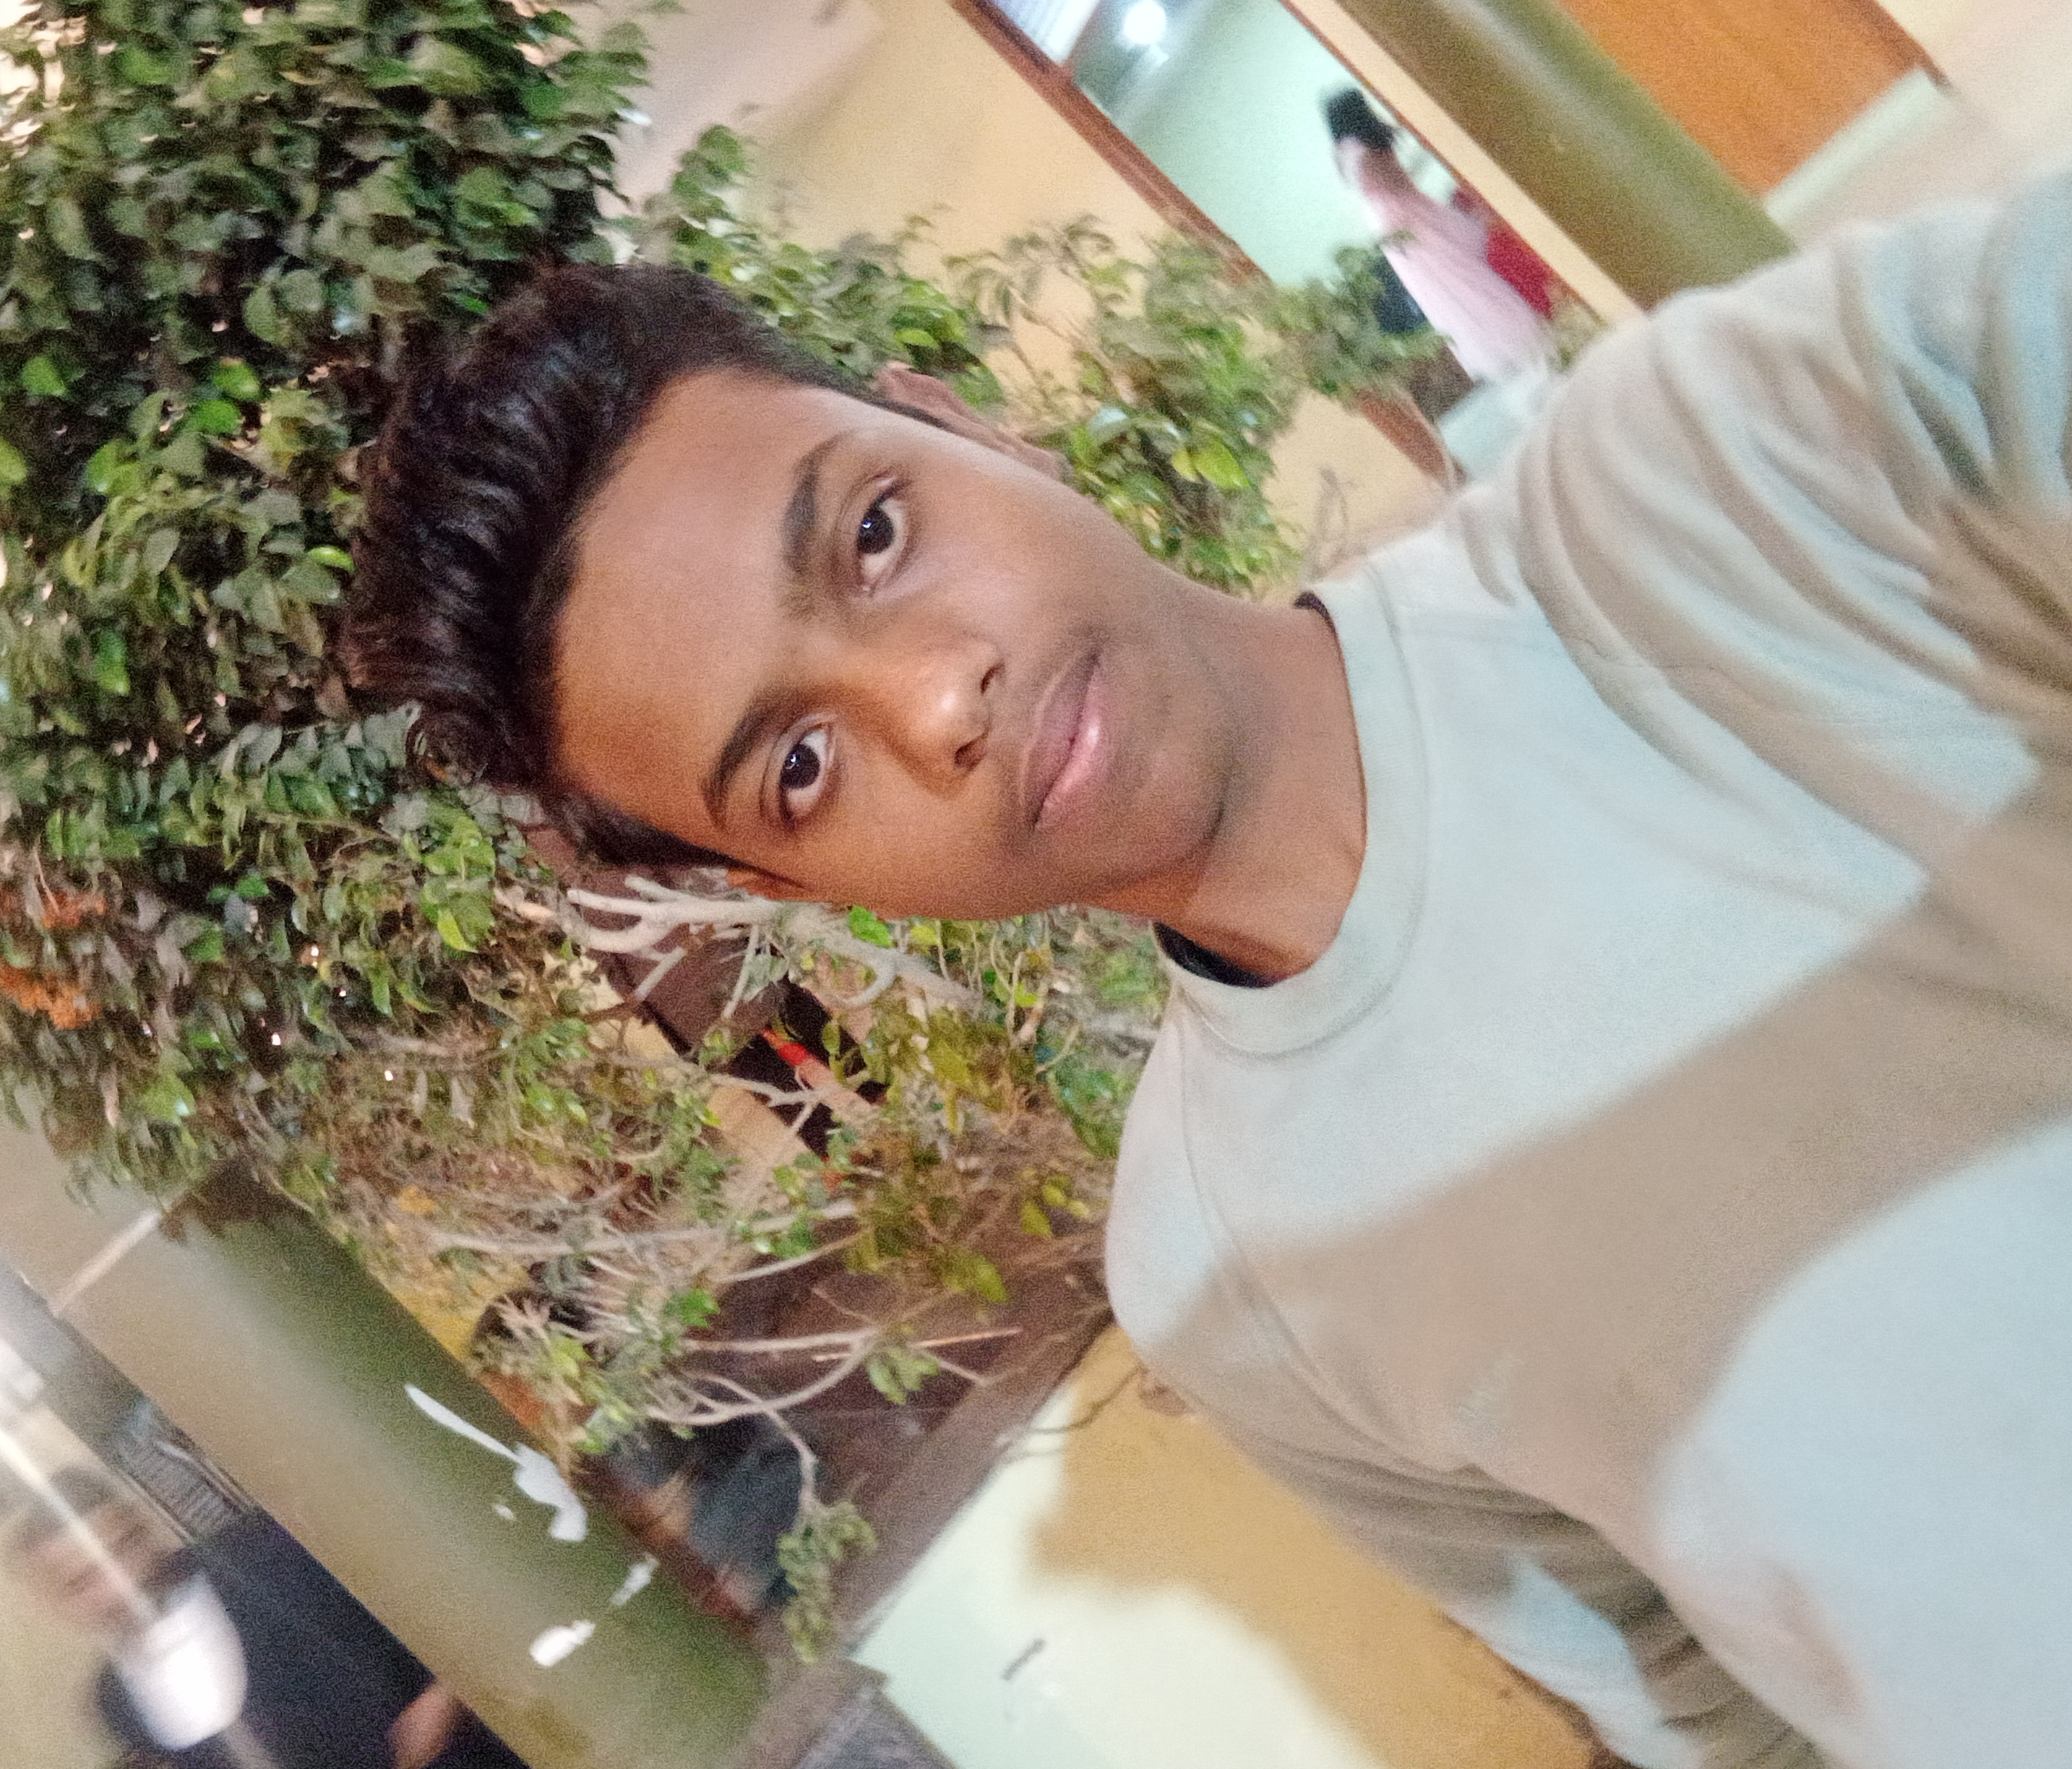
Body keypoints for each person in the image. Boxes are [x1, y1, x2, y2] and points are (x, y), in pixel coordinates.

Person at [340, 172, 2072, 1768]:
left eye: (873, 535)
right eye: (800, 765)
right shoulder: (1227, 1279)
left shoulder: (1712, 486)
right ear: (781, 881)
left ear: (959, 422)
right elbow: (1702, 1701)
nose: (935, 699)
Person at [9, 1469, 528, 1769]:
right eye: (83, 1581)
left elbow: (444, 1592)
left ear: (141, 1526)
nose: (118, 1582)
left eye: (120, 1548)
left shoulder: (264, 1552)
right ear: (53, 1600)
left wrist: (446, 1694)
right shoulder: (114, 1703)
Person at [1324, 87, 1552, 382]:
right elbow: (1395, 185)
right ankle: (1521, 333)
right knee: (1467, 273)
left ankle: (1517, 337)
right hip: (1410, 223)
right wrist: (1426, 150)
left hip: (1399, 226)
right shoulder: (1362, 152)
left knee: (1455, 282)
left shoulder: (1345, 153)